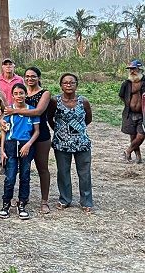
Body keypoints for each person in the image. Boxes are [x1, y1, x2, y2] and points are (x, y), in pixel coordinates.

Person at [4, 67, 52, 213]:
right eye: (27, 76)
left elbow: (38, 111)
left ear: (39, 77)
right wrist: (2, 120)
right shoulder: (22, 92)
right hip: (21, 136)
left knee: (42, 168)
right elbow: (7, 112)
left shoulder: (45, 93)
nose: (30, 78)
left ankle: (44, 201)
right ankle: (23, 198)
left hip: (40, 134)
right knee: (22, 168)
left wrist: (15, 111)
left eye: (33, 76)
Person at [48, 73, 94, 214]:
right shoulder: (55, 101)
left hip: (82, 143)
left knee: (84, 172)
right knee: (63, 172)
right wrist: (60, 131)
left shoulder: (83, 101)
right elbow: (50, 118)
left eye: (72, 82)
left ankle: (86, 201)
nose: (69, 85)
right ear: (61, 85)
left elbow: (88, 119)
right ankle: (65, 199)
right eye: (65, 83)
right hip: (61, 143)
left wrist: (77, 130)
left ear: (76, 84)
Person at [0, 83, 40, 220]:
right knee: (10, 176)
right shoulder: (9, 111)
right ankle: (6, 204)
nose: (18, 96)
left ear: (25, 94)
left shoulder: (31, 110)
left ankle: (22, 203)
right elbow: (4, 131)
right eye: (15, 94)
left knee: (25, 175)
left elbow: (36, 132)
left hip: (25, 146)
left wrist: (28, 144)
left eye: (21, 93)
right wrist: (2, 150)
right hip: (11, 145)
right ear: (12, 95)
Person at [119, 60, 145, 163]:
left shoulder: (144, 82)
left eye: (134, 69)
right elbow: (121, 95)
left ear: (140, 69)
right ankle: (138, 157)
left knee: (141, 135)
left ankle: (128, 151)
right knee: (133, 135)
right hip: (130, 113)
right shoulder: (126, 83)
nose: (132, 71)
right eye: (130, 69)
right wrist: (128, 104)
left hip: (143, 114)